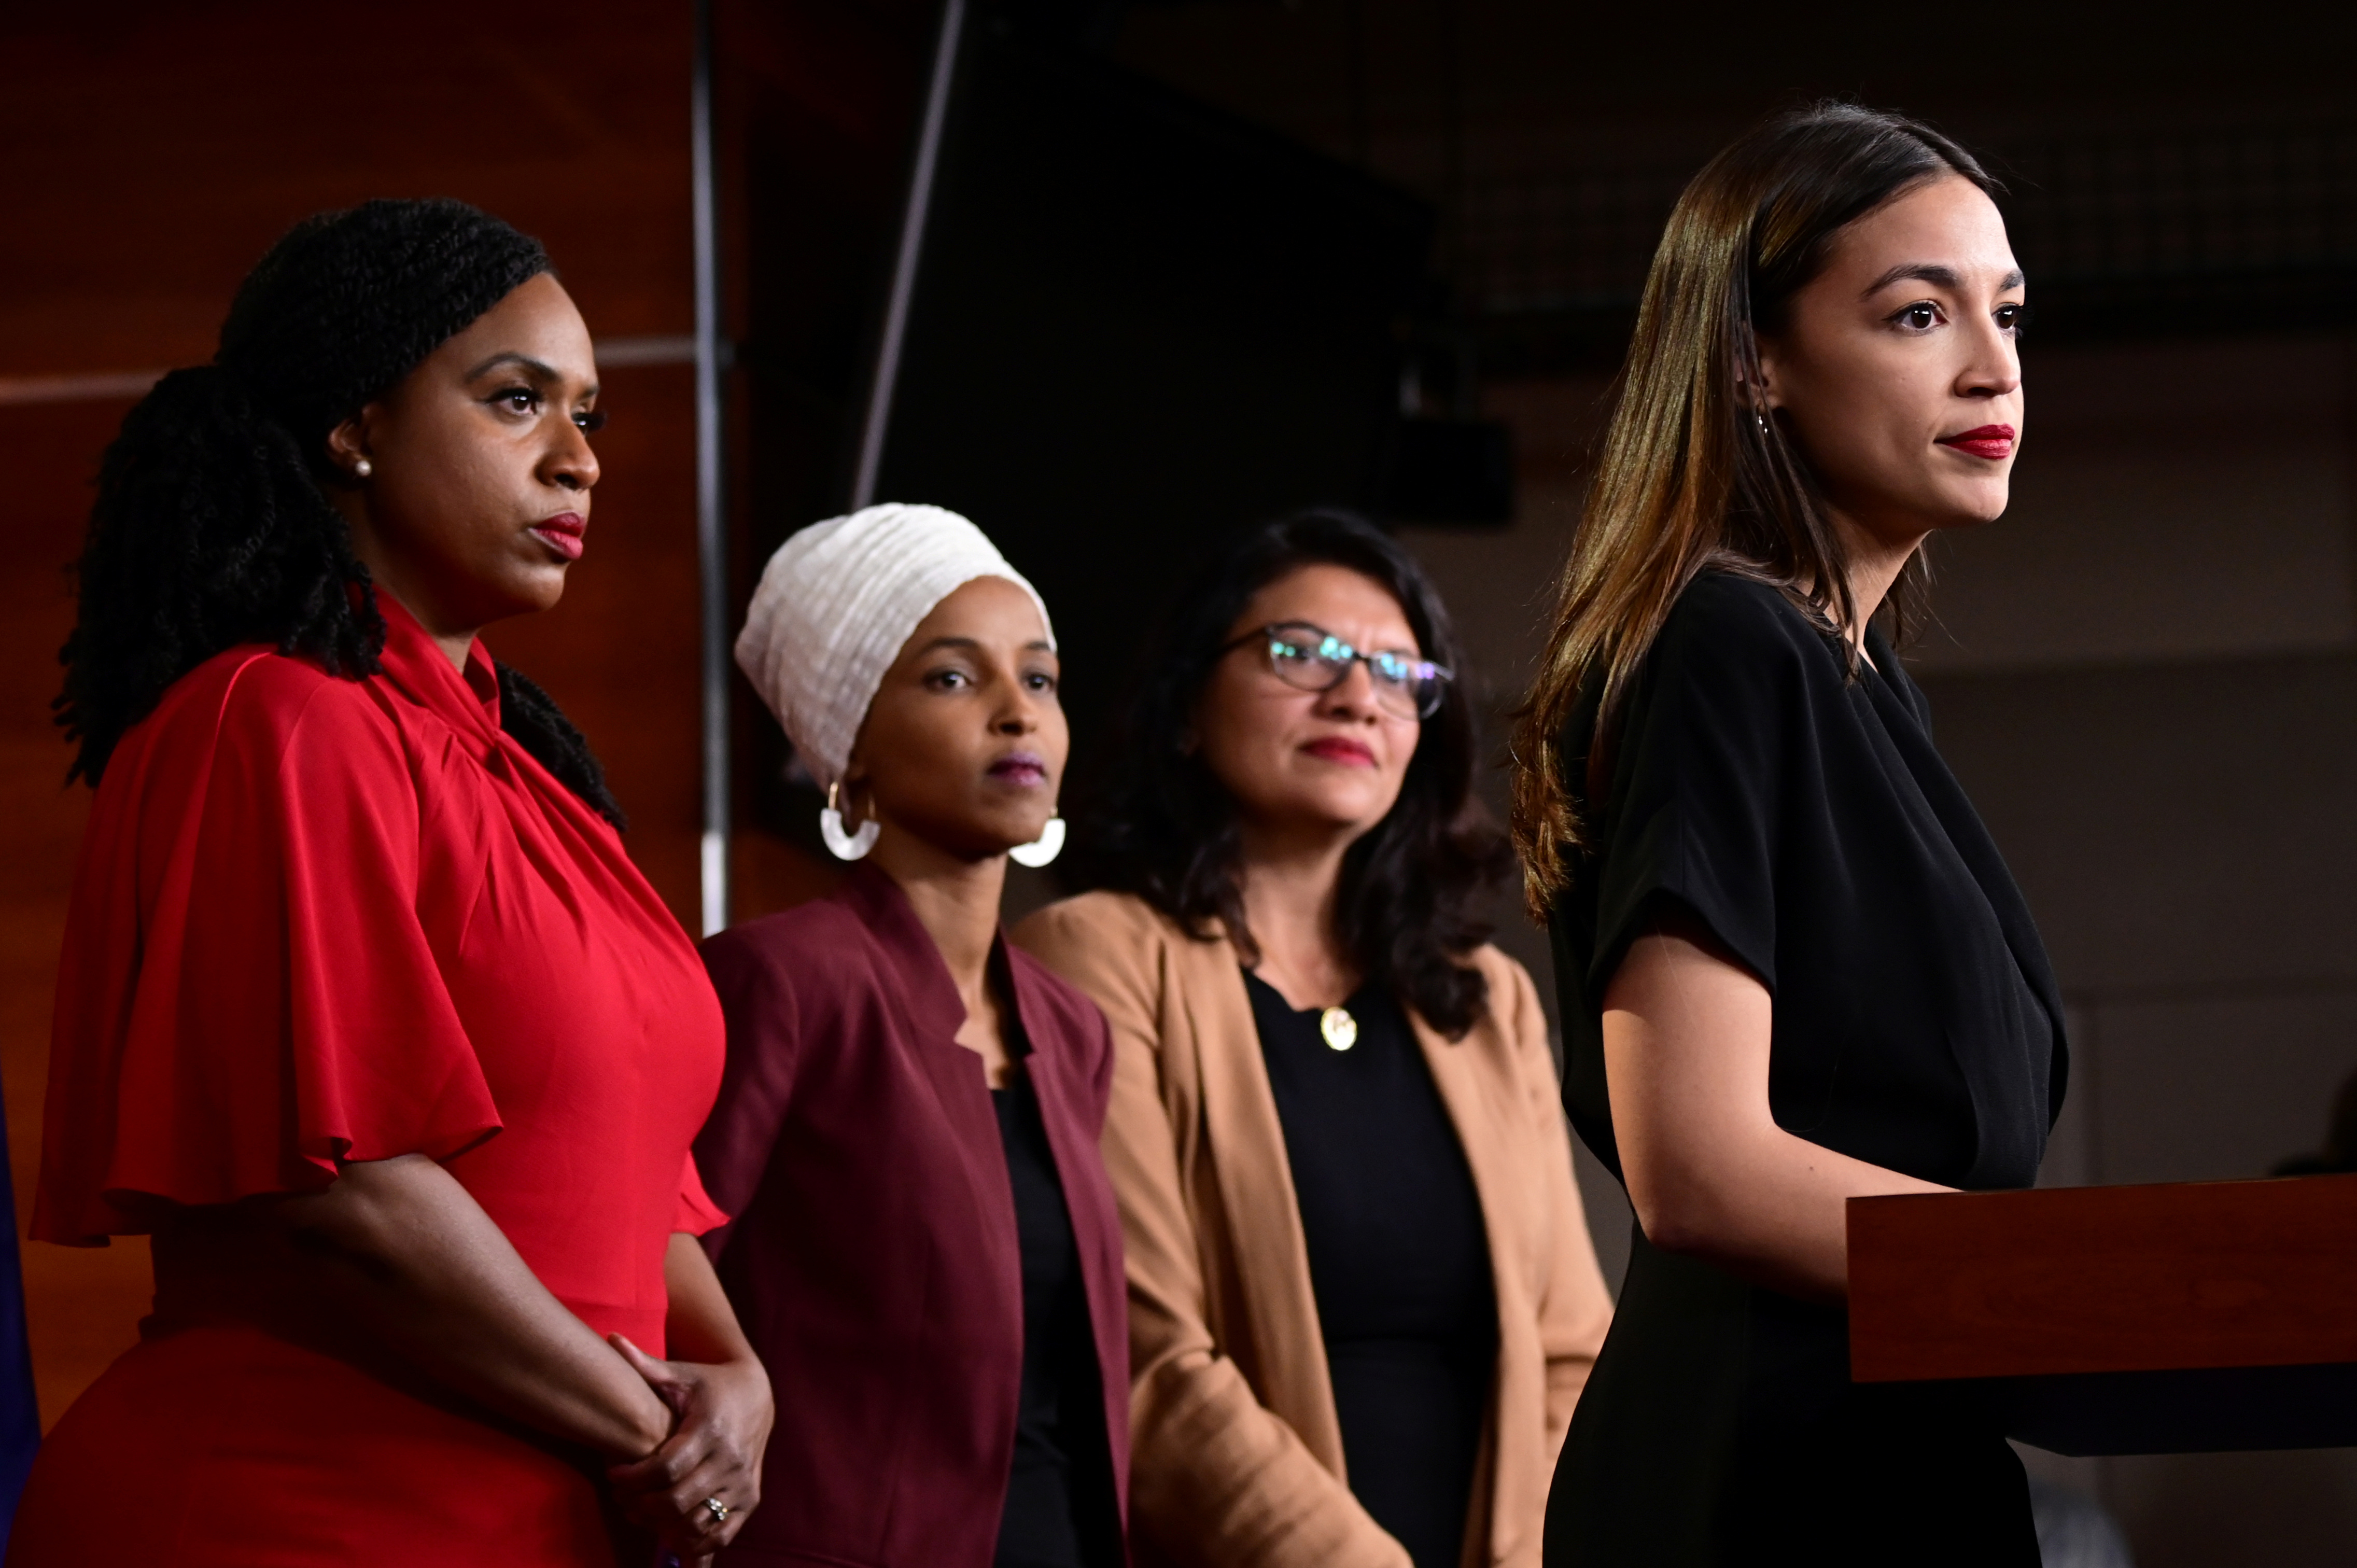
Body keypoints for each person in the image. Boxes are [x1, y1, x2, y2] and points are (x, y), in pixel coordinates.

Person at [16, 200, 769, 1567]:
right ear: (354, 425)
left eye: (588, 415)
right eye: (515, 401)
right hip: (296, 1509)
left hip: (535, 1511)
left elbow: (619, 1173)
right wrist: (652, 1431)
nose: (579, 461)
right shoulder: (278, 720)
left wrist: (737, 1378)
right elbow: (342, 1196)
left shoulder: (529, 771)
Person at [1510, 104, 2066, 1564]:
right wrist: (2053, 1279)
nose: (1992, 363)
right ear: (1752, 361)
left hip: (1899, 1458)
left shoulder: (1867, 692)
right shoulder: (1723, 644)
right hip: (1762, 1488)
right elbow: (1696, 1161)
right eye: (1916, 313)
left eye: (2005, 311)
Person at [1017, 511, 1614, 1568]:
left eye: (1398, 675)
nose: (1357, 698)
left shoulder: (1486, 1003)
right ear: (1187, 707)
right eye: (1302, 654)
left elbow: (1571, 1356)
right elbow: (1150, 1361)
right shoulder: (1093, 957)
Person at [699, 503, 1129, 1568]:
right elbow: (651, 1285)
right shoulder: (781, 980)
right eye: (951, 678)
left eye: (1038, 679)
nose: (1014, 714)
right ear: (850, 749)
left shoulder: (1071, 1030)